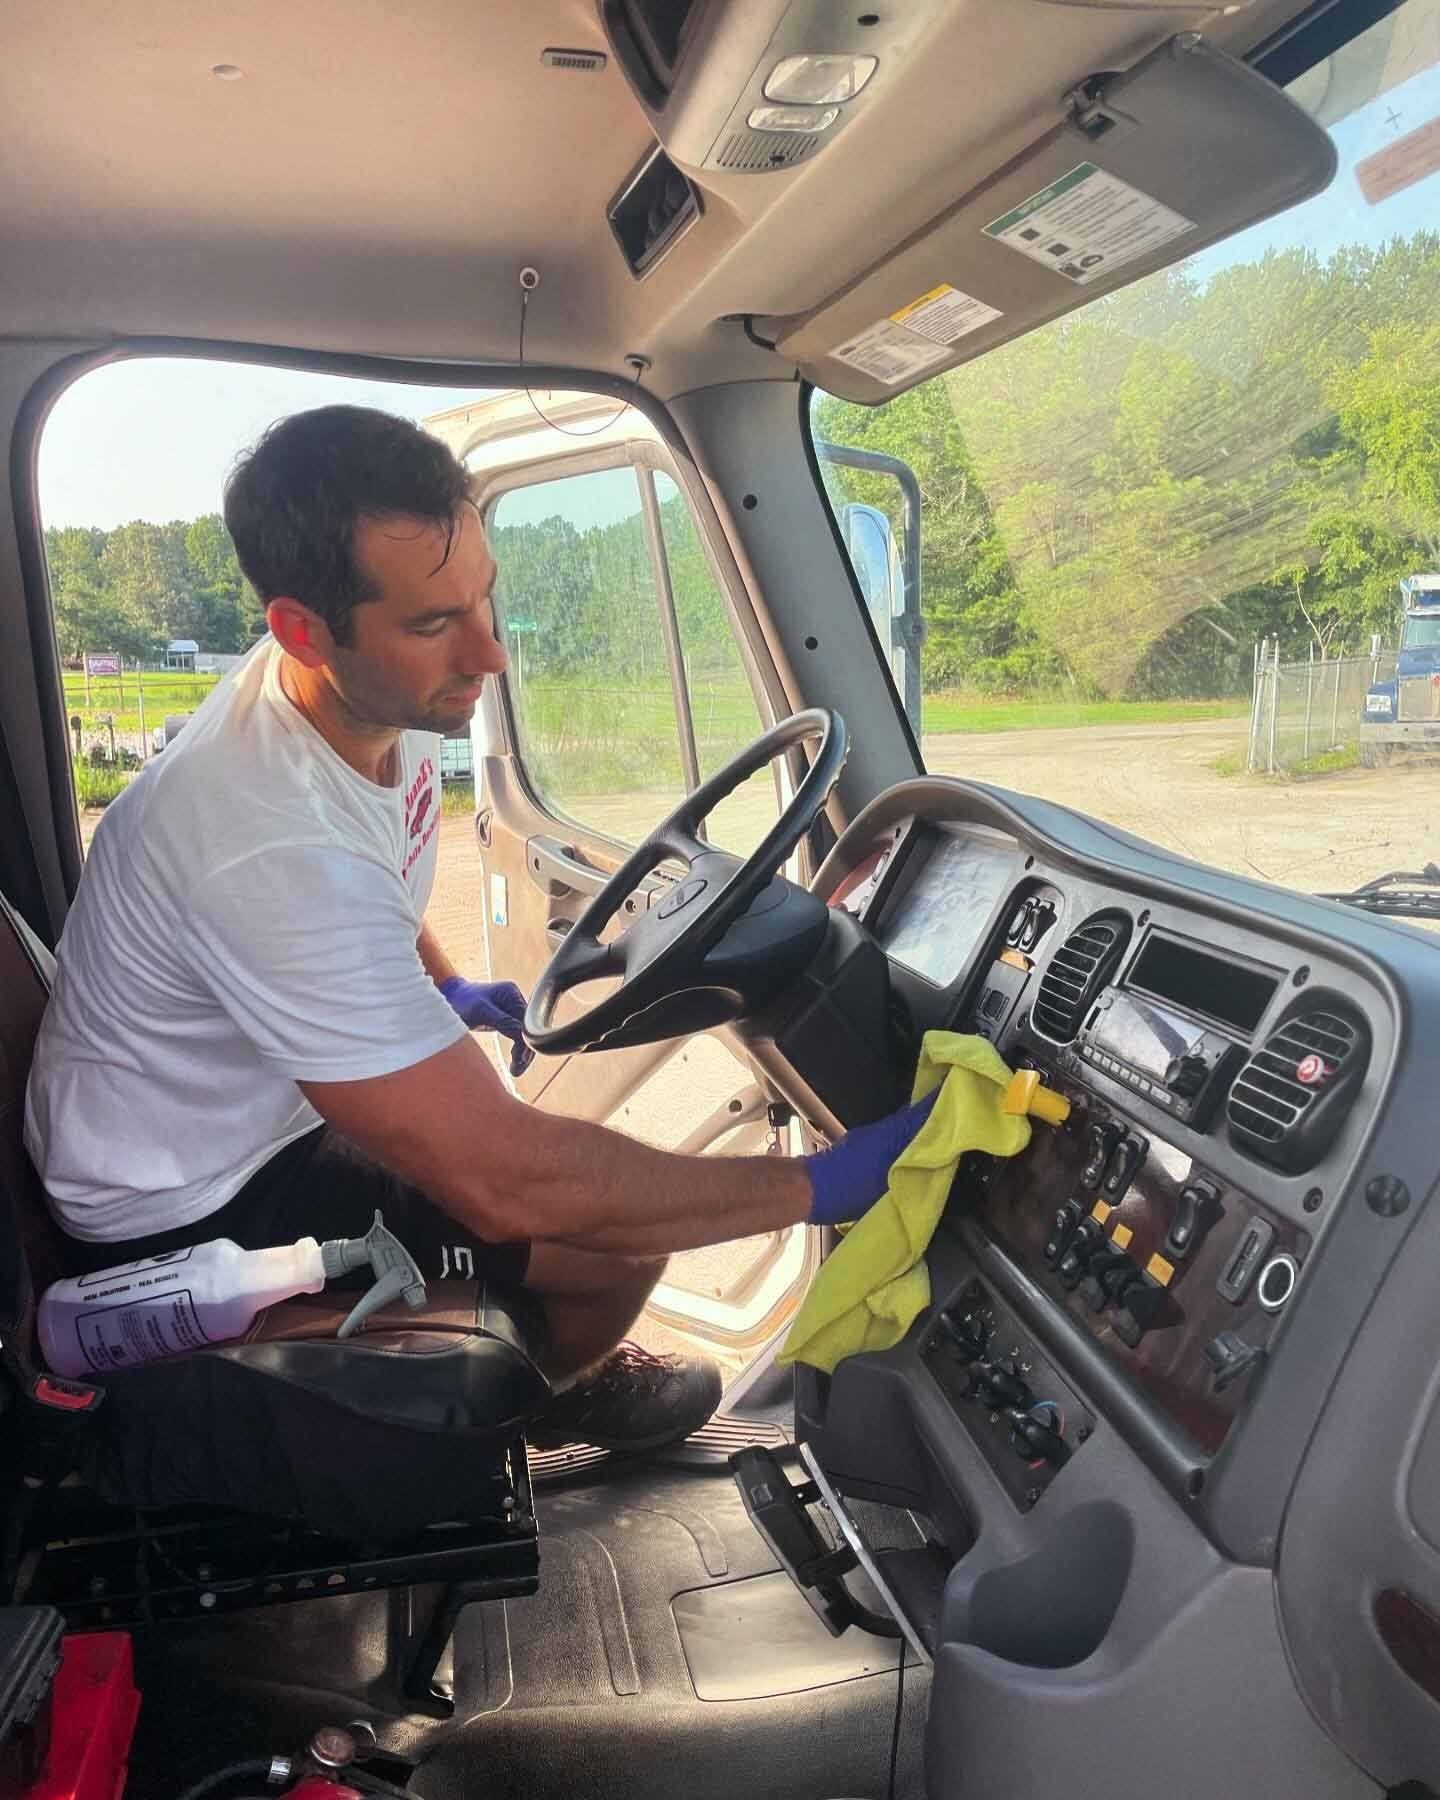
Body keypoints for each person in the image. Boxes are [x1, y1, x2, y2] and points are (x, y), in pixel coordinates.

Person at [24, 405, 935, 1455]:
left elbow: (369, 887)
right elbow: (502, 1182)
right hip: (181, 1201)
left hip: (242, 1117)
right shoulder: (256, 833)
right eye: (431, 624)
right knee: (608, 1243)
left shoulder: (376, 706)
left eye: (484, 600)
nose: (489, 655)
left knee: (588, 1196)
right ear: (301, 629)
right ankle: (508, 1421)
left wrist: (443, 985)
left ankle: (512, 1384)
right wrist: (821, 1183)